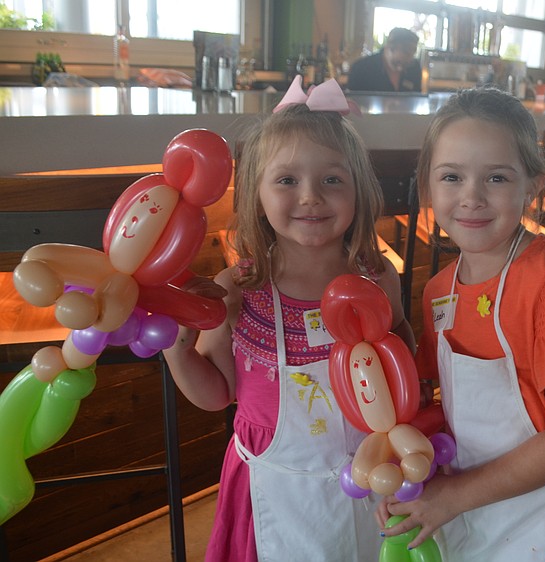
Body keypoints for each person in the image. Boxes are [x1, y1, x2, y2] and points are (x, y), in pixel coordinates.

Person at [163, 76, 415, 561]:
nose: (310, 196)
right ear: (256, 195)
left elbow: (402, 353)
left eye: (332, 180)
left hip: (371, 484)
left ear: (359, 189)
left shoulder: (377, 277)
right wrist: (177, 347)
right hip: (271, 495)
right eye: (286, 180)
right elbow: (217, 393)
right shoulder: (237, 289)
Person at [377, 87, 545, 561]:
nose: (471, 197)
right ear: (428, 187)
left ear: (532, 184)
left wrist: (454, 496)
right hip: (476, 506)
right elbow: (447, 411)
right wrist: (408, 477)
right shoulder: (438, 291)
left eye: (495, 177)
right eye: (451, 176)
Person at [346, 27, 422, 93]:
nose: (410, 59)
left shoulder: (414, 68)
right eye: (406, 53)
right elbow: (353, 104)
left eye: (413, 53)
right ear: (390, 47)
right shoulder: (361, 68)